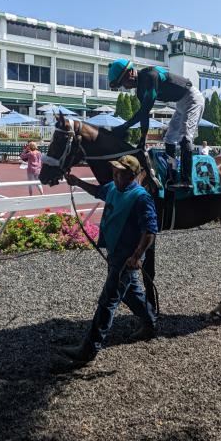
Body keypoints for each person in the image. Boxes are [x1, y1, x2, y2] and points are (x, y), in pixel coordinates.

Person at [51, 155, 158, 371]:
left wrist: (136, 257)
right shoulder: (111, 187)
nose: (116, 175)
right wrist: (78, 182)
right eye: (115, 171)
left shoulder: (140, 197)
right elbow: (98, 191)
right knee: (131, 292)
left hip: (128, 257)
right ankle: (150, 323)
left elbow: (150, 232)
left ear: (132, 175)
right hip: (115, 252)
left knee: (108, 300)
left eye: (121, 172)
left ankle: (88, 350)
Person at [108, 58, 204, 189]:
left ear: (130, 73)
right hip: (180, 103)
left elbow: (145, 110)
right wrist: (143, 139)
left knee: (185, 137)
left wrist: (124, 126)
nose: (125, 87)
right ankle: (172, 175)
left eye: (123, 82)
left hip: (192, 98)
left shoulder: (150, 76)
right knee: (169, 139)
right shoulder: (140, 91)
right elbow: (144, 115)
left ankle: (187, 181)